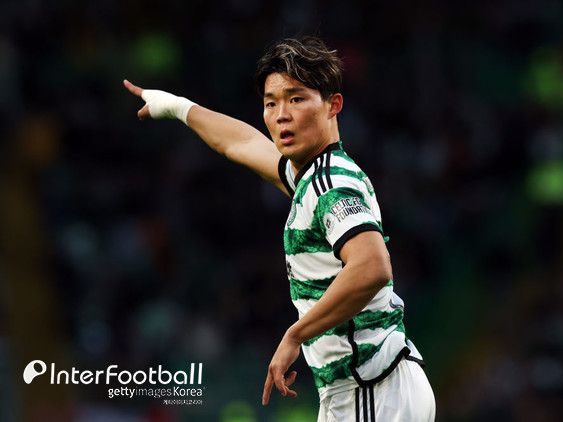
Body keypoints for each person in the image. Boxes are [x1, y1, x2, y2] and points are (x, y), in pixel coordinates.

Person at [124, 36, 435, 421]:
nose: (281, 114)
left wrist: (296, 334)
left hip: (372, 389)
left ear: (333, 105)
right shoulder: (312, 176)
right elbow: (241, 143)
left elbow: (372, 266)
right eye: (271, 103)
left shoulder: (330, 185)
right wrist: (178, 107)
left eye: (296, 99)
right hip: (365, 389)